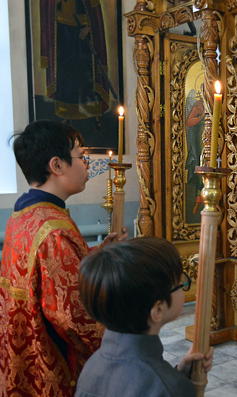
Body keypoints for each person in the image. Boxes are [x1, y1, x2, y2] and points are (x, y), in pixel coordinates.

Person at [0, 120, 128, 397]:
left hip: (24, 357)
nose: (87, 165)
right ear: (56, 166)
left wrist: (97, 254)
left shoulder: (22, 215)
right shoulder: (54, 230)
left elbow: (45, 275)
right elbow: (72, 316)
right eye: (81, 157)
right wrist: (123, 340)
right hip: (54, 363)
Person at [74, 237, 214, 397]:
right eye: (179, 284)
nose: (184, 287)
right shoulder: (167, 386)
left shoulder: (91, 368)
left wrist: (179, 374)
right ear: (158, 310)